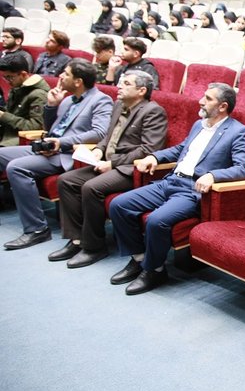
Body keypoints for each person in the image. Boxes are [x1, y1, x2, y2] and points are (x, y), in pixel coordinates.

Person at [108, 83, 245, 295]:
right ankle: (139, 258)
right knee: (119, 205)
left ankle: (154, 270)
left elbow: (244, 168)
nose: (200, 101)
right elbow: (181, 149)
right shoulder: (198, 125)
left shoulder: (238, 131)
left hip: (191, 190)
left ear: (222, 106)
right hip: (170, 181)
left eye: (208, 98)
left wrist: (213, 175)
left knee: (156, 221)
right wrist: (154, 157)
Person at [51, 71, 167, 267]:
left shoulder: (153, 111)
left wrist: (113, 163)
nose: (119, 86)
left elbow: (148, 149)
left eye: (126, 83)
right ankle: (77, 239)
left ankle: (94, 247)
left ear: (141, 90)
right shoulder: (118, 105)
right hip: (106, 162)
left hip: (130, 169)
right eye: (120, 82)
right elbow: (108, 136)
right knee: (66, 180)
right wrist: (98, 149)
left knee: (91, 187)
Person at [0, 59, 113, 249]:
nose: (60, 76)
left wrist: (62, 143)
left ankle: (37, 229)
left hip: (67, 154)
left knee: (16, 167)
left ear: (78, 81)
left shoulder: (101, 100)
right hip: (48, 147)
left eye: (66, 74)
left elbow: (99, 133)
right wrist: (52, 106)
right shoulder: (67, 99)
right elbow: (51, 128)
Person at [0, 54, 49, 147]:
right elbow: (12, 112)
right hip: (6, 133)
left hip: (19, 139)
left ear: (23, 74)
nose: (7, 81)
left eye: (10, 77)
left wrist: (4, 116)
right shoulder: (17, 88)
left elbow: (35, 127)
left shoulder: (39, 95)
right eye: (5, 77)